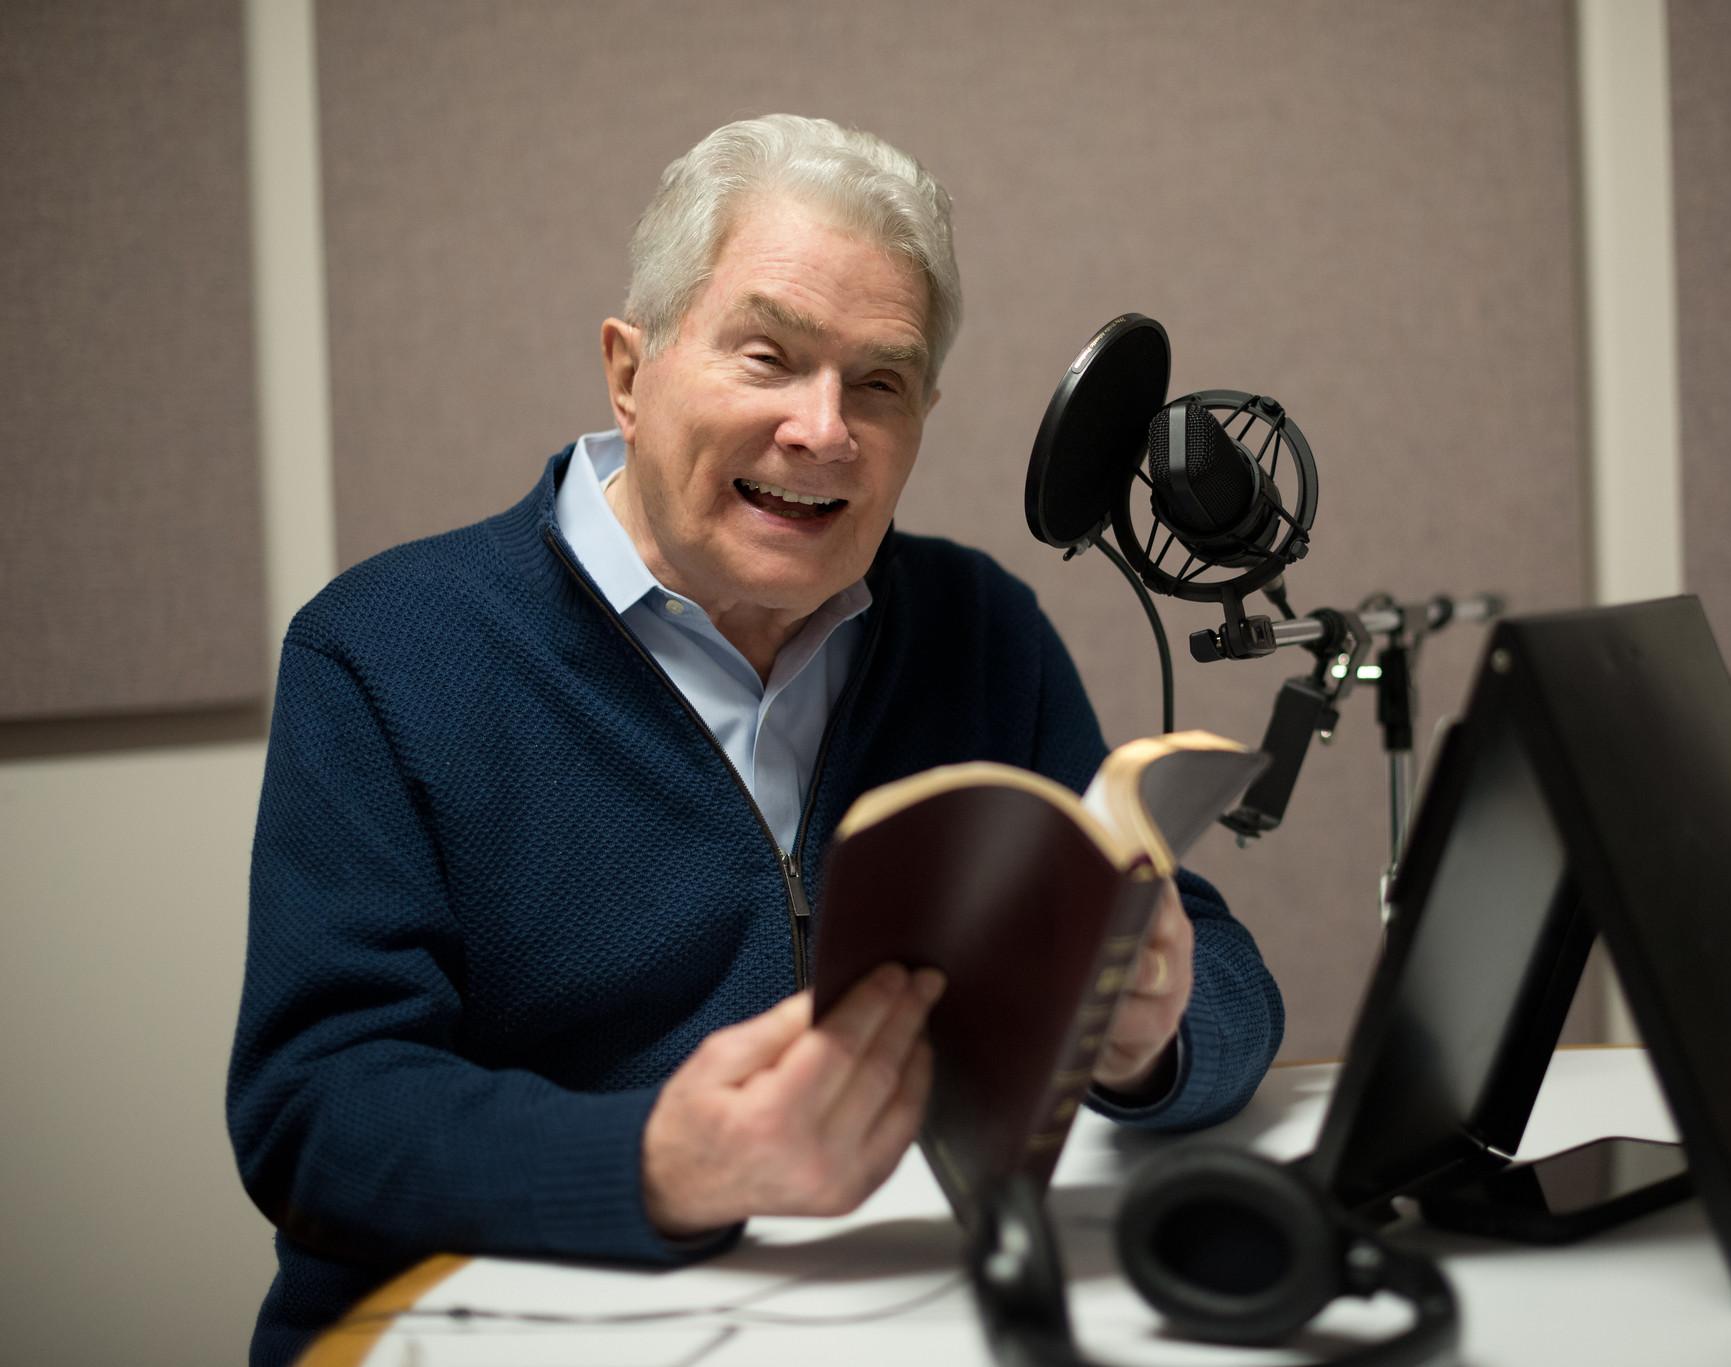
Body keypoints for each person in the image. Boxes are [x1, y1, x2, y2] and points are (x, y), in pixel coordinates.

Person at [227, 114, 1283, 1365]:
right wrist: (665, 1162)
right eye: (769, 356)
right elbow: (316, 1114)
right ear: (632, 368)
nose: (823, 429)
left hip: (887, 1316)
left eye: (878, 383)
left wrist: (1152, 1032)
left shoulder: (979, 626)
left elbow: (1215, 963)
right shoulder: (384, 650)